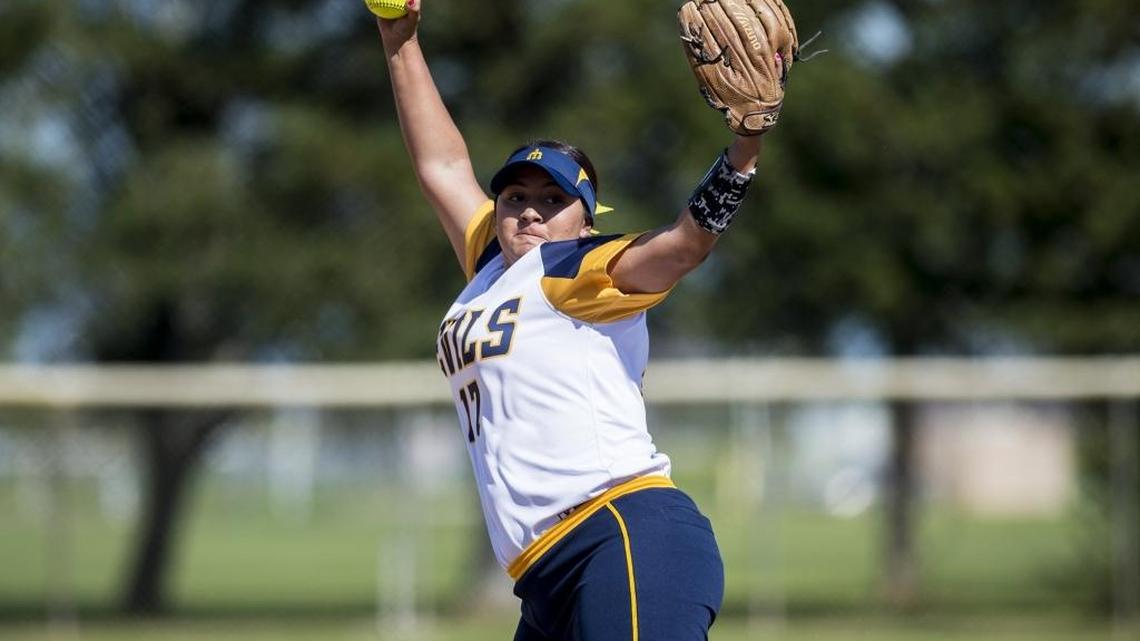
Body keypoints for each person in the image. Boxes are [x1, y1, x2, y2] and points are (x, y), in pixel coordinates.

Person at [377, 3, 762, 639]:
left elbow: (684, 245)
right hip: (544, 578)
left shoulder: (577, 267)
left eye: (555, 200)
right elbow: (440, 167)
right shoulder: (492, 268)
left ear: (586, 220)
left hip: (624, 538)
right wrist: (399, 38)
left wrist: (743, 151)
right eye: (516, 197)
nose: (530, 212)